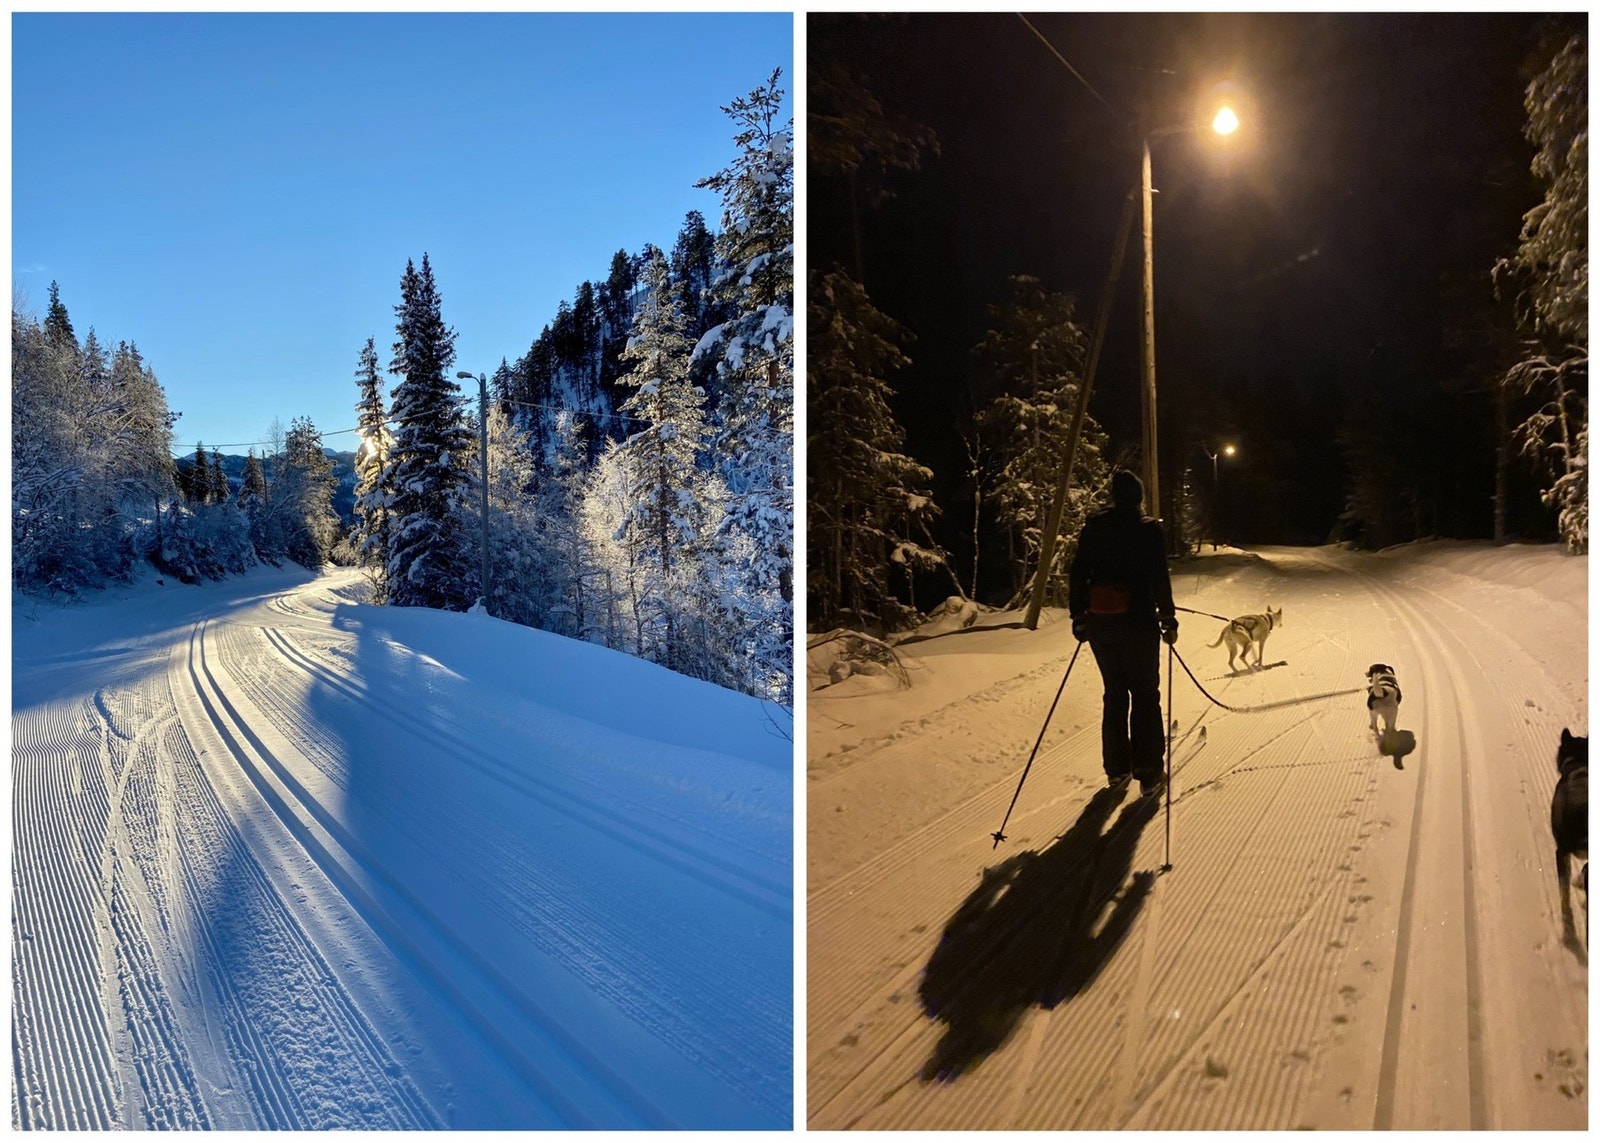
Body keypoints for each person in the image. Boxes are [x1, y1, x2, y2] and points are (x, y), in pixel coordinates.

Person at [1068, 469, 1178, 797]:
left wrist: (1079, 615)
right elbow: (1159, 576)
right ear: (1139, 497)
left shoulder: (1094, 527)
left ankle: (1116, 769)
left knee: (1114, 693)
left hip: (1102, 622)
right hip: (1139, 622)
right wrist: (1168, 616)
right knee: (1145, 693)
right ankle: (1149, 771)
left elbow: (1078, 572)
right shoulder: (1148, 530)